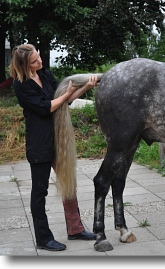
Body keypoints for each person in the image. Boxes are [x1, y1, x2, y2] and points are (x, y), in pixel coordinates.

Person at [9, 44, 98, 251]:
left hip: (59, 139)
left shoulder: (45, 75)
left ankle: (75, 228)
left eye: (39, 58)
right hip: (40, 143)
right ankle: (43, 238)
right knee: (39, 192)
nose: (40, 62)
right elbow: (46, 107)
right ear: (23, 65)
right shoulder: (21, 85)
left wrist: (87, 86)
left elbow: (65, 101)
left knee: (69, 183)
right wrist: (66, 93)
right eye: (34, 61)